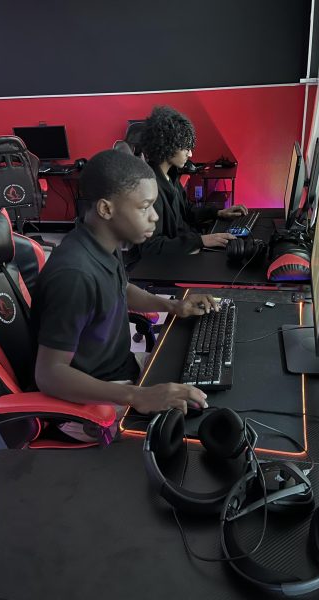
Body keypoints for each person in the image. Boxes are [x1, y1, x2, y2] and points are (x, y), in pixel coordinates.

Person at [31, 149, 216, 432]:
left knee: (203, 388)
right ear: (106, 209)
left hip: (120, 373)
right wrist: (137, 396)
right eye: (144, 207)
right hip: (89, 405)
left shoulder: (102, 242)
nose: (154, 217)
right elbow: (49, 375)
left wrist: (174, 306)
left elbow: (120, 288)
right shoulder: (74, 275)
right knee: (197, 433)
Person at [129, 105, 248, 261]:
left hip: (188, 244)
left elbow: (186, 210)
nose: (190, 154)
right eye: (185, 148)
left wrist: (217, 213)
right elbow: (151, 247)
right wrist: (201, 241)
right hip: (171, 262)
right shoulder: (150, 189)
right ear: (168, 146)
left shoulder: (170, 175)